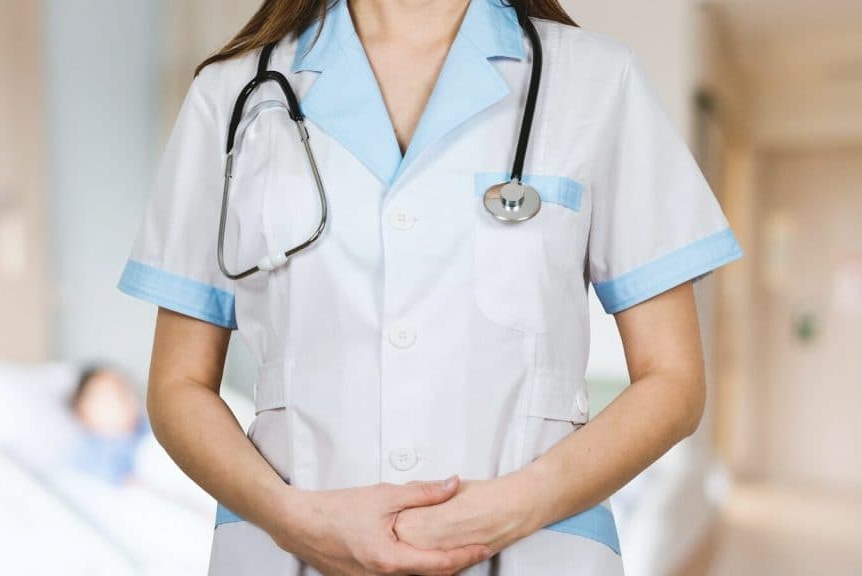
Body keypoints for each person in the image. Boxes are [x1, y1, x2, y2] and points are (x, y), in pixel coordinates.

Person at [117, 0, 743, 573]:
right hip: (289, 555)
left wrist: (517, 506)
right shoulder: (232, 94)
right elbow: (178, 386)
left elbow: (673, 382)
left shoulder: (596, 81)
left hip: (536, 552)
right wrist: (291, 520)